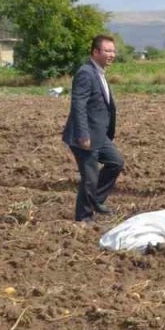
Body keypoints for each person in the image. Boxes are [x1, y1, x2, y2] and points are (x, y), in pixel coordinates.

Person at [62, 34, 124, 223]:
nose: (111, 54)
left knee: (116, 162)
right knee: (90, 178)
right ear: (95, 52)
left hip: (100, 135)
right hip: (85, 135)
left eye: (113, 51)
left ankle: (96, 200)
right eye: (107, 51)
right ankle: (83, 218)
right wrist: (83, 135)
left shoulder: (99, 72)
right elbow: (78, 105)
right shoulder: (86, 73)